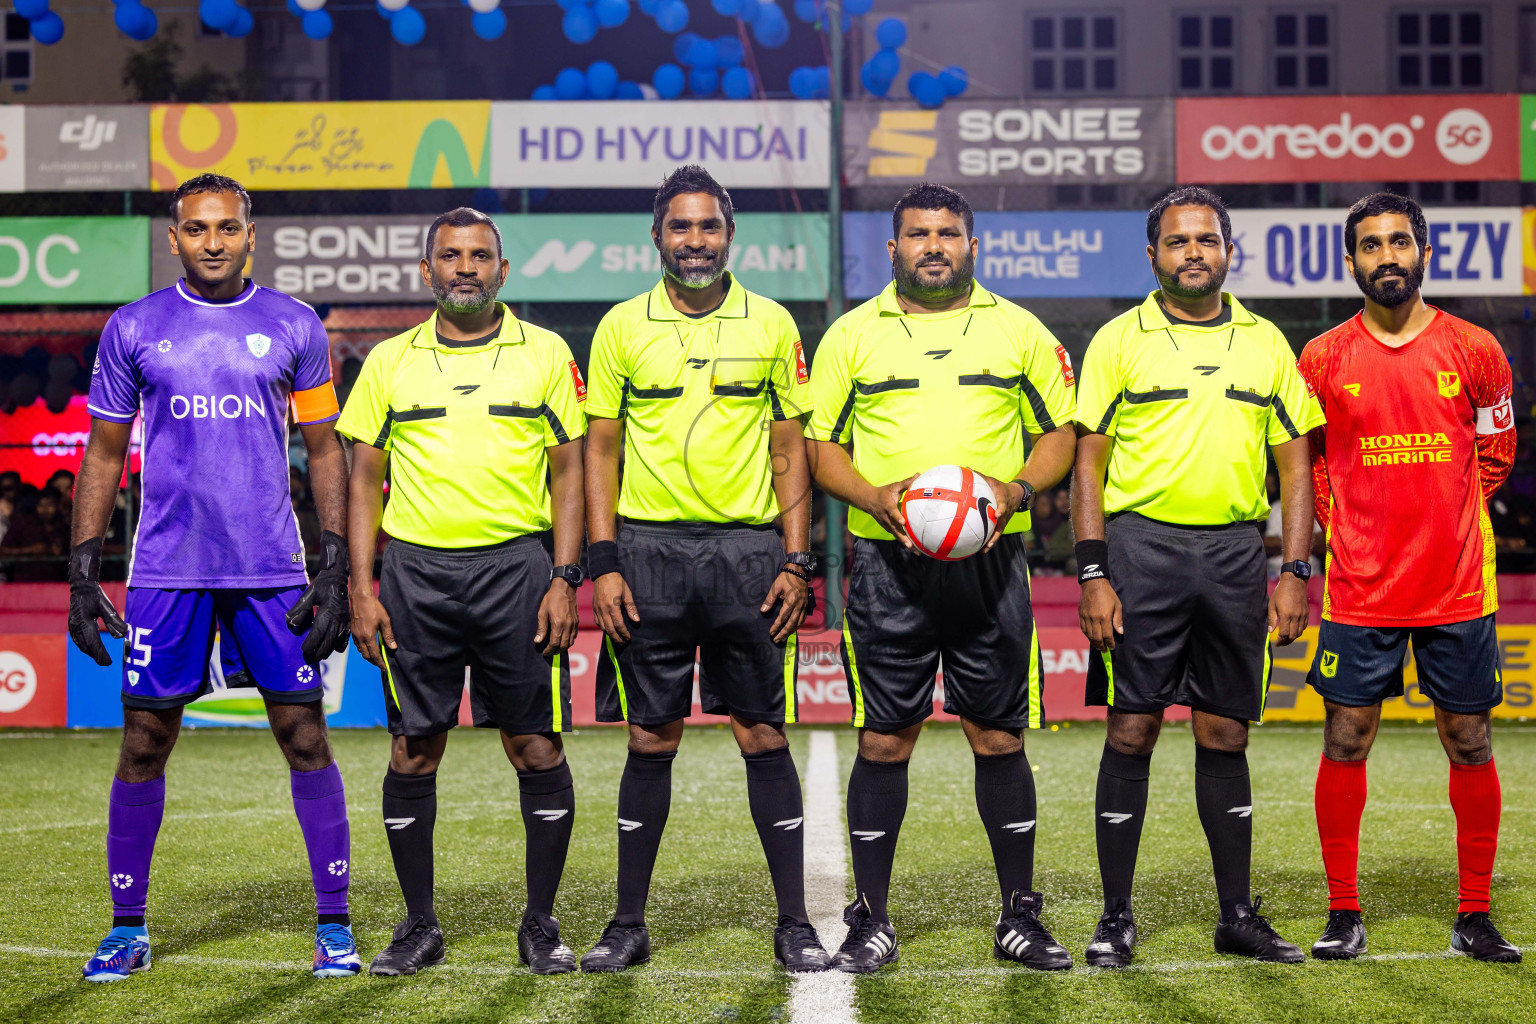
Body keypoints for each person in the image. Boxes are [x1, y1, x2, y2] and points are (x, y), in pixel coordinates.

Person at [67, 174, 357, 982]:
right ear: (175, 239)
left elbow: (325, 448)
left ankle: (334, 924)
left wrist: (333, 561)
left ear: (250, 235)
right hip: (168, 571)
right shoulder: (133, 328)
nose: (213, 241)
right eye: (196, 229)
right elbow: (103, 453)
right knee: (143, 741)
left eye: (227, 227)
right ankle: (128, 928)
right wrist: (82, 570)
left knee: (304, 735)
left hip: (272, 570)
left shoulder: (294, 324)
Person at [806, 183, 1077, 972]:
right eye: (919, 234)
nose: (934, 245)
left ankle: (1019, 915)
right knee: (885, 737)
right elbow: (822, 449)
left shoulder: (1018, 330)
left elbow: (1059, 434)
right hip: (887, 565)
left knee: (998, 734)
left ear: (972, 246)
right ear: (893, 249)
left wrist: (1017, 491)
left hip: (991, 566)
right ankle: (872, 917)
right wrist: (874, 498)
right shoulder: (851, 336)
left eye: (949, 233)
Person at [582, 165, 824, 973]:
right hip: (646, 555)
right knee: (650, 736)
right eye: (680, 227)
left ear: (730, 234)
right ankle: (627, 924)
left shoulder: (773, 323)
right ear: (657, 236)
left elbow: (790, 448)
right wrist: (604, 562)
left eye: (708, 226)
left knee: (762, 732)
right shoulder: (621, 326)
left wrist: (796, 558)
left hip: (747, 554)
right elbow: (600, 451)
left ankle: (794, 923)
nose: (695, 241)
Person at [1072, 186, 1322, 968]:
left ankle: (1236, 916)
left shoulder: (1266, 343)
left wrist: (1294, 569)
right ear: (1153, 255)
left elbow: (1296, 468)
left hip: (1235, 556)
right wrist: (1092, 572)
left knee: (1224, 730)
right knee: (1132, 728)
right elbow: (1088, 465)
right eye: (1177, 241)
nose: (1193, 253)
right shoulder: (1119, 340)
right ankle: (1115, 916)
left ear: (1228, 251)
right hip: (1140, 552)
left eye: (1206, 240)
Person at [340, 208, 587, 977]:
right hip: (416, 575)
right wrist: (360, 586)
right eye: (451, 255)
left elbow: (570, 473)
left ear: (502, 271)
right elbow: (363, 480)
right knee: (414, 749)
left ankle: (540, 923)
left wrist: (564, 577)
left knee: (534, 744)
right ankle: (419, 926)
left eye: (480, 255)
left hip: (517, 570)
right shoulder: (390, 361)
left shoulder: (546, 353)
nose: (466, 268)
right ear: (428, 270)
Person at [1298, 192, 1521, 963]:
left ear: (1425, 252)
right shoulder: (1322, 357)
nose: (1386, 256)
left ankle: (1474, 915)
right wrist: (1354, 526)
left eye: (1399, 242)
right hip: (1360, 588)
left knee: (1469, 738)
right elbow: (1312, 464)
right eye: (1371, 245)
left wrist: (1444, 512)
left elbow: (1496, 454)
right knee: (1345, 737)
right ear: (1351, 261)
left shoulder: (1476, 349)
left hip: (1457, 584)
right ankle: (1343, 912)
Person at [1, 488, 70, 581]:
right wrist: (30, 550)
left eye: (49, 505)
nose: (45, 510)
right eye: (41, 505)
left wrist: (60, 553)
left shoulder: (65, 526)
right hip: (24, 582)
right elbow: (3, 551)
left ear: (58, 506)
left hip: (56, 582)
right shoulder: (23, 524)